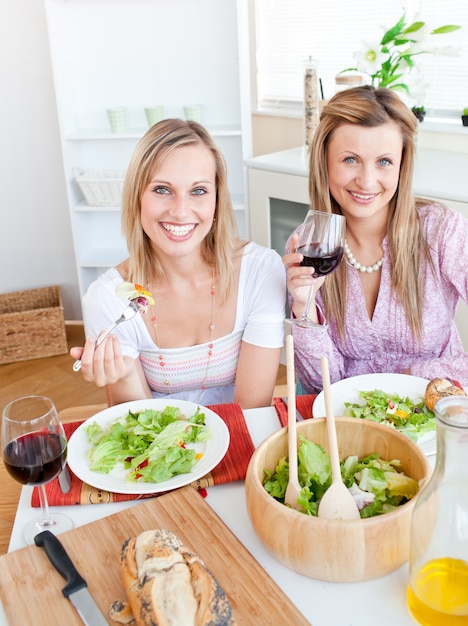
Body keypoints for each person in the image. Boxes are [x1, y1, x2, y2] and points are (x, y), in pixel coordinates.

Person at [71, 119, 286, 408]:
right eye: (162, 189)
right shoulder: (109, 298)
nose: (181, 211)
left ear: (217, 201)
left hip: (242, 436)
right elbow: (138, 427)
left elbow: (252, 411)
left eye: (198, 191)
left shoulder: (260, 272)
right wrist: (122, 377)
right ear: (137, 198)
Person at [283, 85, 468, 393]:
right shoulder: (311, 244)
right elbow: (320, 386)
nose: (367, 181)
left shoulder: (442, 231)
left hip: (434, 417)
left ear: (401, 166)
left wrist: (412, 377)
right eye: (350, 160)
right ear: (324, 161)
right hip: (352, 424)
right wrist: (304, 306)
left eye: (384, 162)